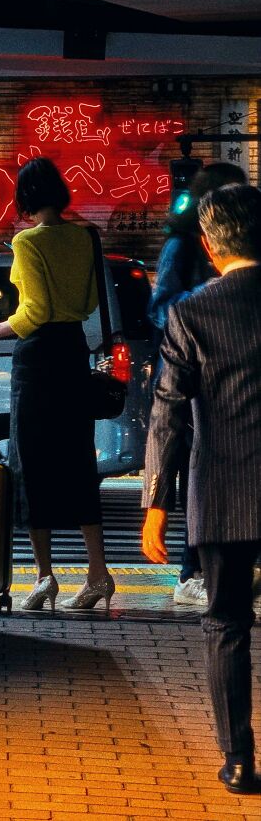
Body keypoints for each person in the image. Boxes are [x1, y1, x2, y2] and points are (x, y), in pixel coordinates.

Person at [142, 183, 261, 795]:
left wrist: (156, 503)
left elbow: (167, 412)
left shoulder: (192, 313)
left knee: (226, 622)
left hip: (223, 493)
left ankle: (239, 759)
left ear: (211, 247)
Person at [0, 156, 114, 613]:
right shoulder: (86, 236)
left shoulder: (27, 243)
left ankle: (45, 578)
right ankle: (99, 573)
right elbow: (84, 302)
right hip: (73, 352)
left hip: (39, 360)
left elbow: (33, 314)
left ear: (25, 199)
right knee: (79, 463)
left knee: (31, 465)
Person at [149, 162, 247, 606]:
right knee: (198, 466)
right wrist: (213, 300)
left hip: (228, 368)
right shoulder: (182, 245)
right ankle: (192, 572)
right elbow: (161, 306)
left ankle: (220, 566)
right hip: (195, 368)